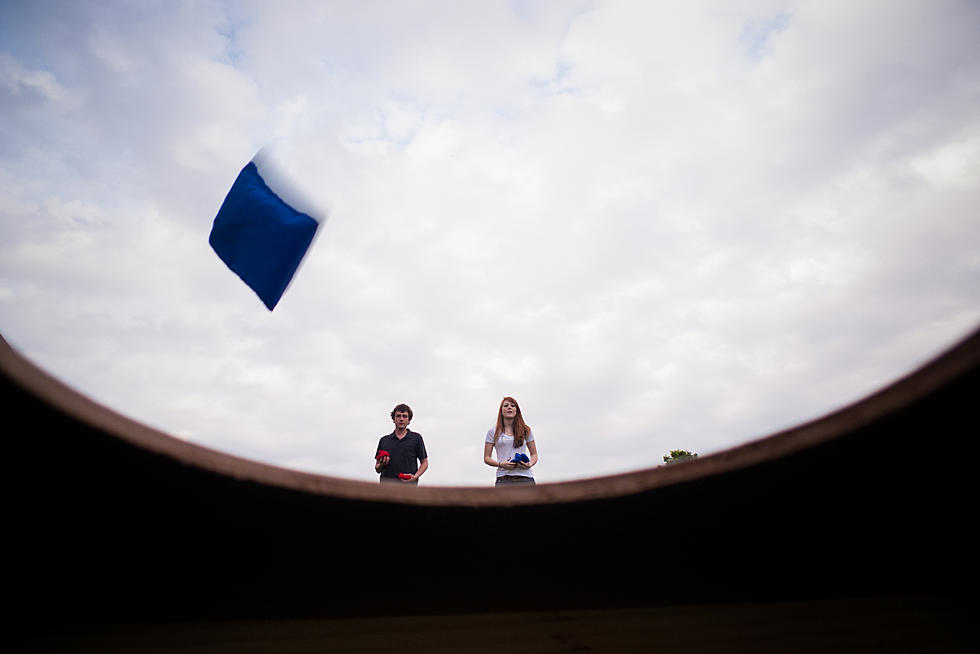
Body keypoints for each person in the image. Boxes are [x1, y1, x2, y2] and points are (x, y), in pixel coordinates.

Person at [483, 396, 537, 485]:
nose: (509, 407)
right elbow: (486, 458)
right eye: (506, 405)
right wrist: (500, 464)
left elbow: (534, 454)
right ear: (501, 411)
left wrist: (529, 464)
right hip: (503, 478)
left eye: (512, 405)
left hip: (525, 478)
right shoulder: (493, 431)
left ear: (517, 410)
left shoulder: (526, 430)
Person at [375, 403, 428, 484]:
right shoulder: (384, 440)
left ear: (409, 420)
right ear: (393, 419)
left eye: (404, 416)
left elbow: (424, 463)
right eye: (398, 416)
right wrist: (382, 464)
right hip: (386, 487)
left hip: (409, 488)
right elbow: (377, 468)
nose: (401, 419)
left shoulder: (416, 438)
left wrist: (415, 477)